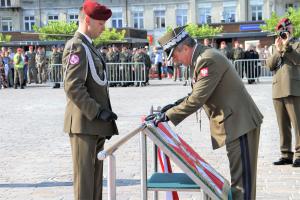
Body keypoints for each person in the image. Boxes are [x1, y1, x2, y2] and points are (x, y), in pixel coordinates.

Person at [152, 26, 263, 199]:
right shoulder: (201, 57)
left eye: (174, 55)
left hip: (240, 123)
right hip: (235, 122)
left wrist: (167, 116)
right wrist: (170, 107)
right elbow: (197, 93)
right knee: (240, 182)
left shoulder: (207, 59)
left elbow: (197, 99)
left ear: (185, 48)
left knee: (242, 186)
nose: (175, 61)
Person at [62, 1, 118, 199]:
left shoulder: (88, 46)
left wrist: (105, 116)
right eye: (101, 24)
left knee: (95, 184)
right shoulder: (76, 47)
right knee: (85, 185)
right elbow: (72, 86)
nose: (104, 28)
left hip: (94, 125)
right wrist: (97, 111)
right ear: (88, 20)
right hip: (84, 124)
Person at [266, 18, 300, 167]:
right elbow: (270, 65)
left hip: (293, 87)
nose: (286, 31)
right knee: (282, 124)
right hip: (278, 89)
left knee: (297, 123)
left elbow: (298, 60)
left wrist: (288, 47)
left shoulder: (297, 43)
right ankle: (286, 154)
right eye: (283, 29)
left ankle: (299, 154)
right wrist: (279, 50)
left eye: (288, 27)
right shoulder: (275, 46)